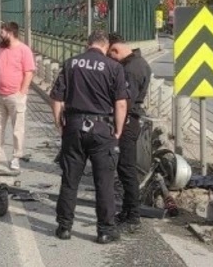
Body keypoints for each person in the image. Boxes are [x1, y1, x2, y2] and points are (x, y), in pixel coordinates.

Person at [50, 30, 130, 243]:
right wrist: (118, 131)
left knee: (70, 180)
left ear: (88, 44)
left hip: (74, 126)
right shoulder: (114, 67)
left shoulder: (71, 63)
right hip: (102, 129)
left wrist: (60, 123)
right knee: (104, 182)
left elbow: (57, 98)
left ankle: (64, 227)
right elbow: (121, 103)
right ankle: (105, 231)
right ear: (105, 46)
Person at [107, 33, 153, 234]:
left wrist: (118, 127)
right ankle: (127, 210)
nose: (110, 60)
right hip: (129, 120)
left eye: (110, 55)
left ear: (115, 49)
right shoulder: (137, 63)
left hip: (127, 122)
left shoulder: (131, 70)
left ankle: (133, 215)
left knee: (126, 169)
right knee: (125, 168)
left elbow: (124, 101)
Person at [0, 21, 36, 171]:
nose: (0, 34)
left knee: (17, 129)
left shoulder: (24, 50)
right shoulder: (1, 49)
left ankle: (16, 157)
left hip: (15, 96)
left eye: (2, 32)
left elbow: (29, 73)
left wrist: (22, 93)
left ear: (10, 33)